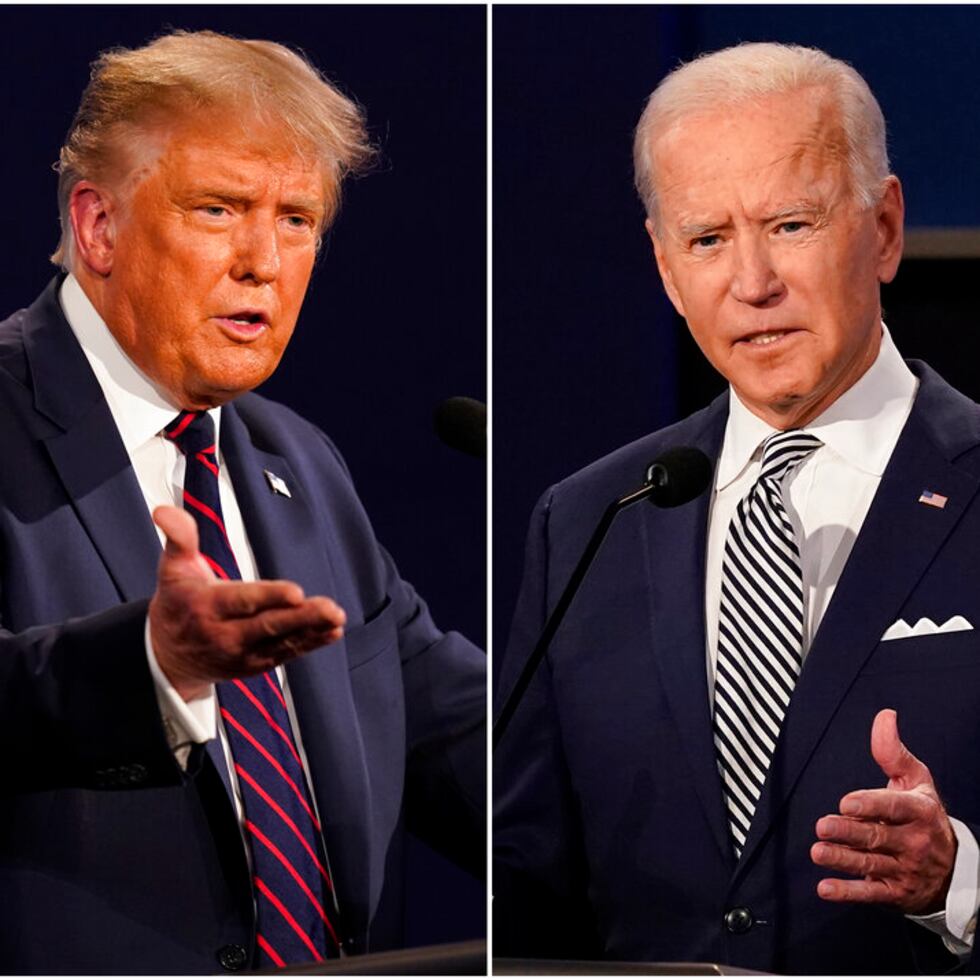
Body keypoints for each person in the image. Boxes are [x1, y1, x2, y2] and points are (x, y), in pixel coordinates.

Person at [0, 29, 485, 974]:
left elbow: (447, 728)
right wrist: (152, 663)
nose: (264, 259)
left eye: (298, 219)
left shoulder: (296, 461)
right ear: (98, 227)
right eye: (219, 209)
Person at [494, 42, 980, 974]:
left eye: (790, 224)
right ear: (666, 268)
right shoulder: (589, 520)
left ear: (883, 229)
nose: (751, 282)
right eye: (708, 239)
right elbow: (528, 874)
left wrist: (960, 879)